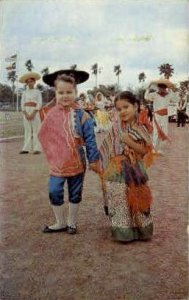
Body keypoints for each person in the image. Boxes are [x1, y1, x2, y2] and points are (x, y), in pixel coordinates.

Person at [38, 69, 100, 234]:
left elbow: (91, 139)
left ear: (76, 92)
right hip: (57, 162)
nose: (65, 96)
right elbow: (44, 134)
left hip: (76, 161)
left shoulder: (83, 115)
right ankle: (60, 222)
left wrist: (93, 159)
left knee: (75, 192)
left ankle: (71, 222)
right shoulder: (51, 114)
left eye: (69, 92)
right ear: (55, 94)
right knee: (54, 190)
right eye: (61, 92)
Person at [99, 91, 153, 242]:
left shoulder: (142, 127)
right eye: (119, 109)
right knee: (119, 199)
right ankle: (124, 233)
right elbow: (106, 147)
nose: (122, 111)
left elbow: (144, 151)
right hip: (116, 170)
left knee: (137, 199)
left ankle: (142, 230)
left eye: (126, 107)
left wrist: (129, 142)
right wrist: (101, 165)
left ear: (135, 106)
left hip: (135, 170)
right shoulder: (116, 128)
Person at [144, 79, 175, 154]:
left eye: (164, 88)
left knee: (165, 132)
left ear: (165, 88)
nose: (162, 90)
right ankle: (154, 148)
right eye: (160, 88)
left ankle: (160, 149)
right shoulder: (154, 94)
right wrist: (148, 88)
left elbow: (175, 99)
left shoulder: (168, 95)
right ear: (158, 88)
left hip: (164, 116)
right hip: (157, 116)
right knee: (156, 132)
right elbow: (146, 97)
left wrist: (171, 90)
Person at [19, 72, 42, 154]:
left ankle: (37, 148)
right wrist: (25, 114)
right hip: (26, 112)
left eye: (31, 81)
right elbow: (22, 104)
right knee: (27, 130)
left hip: (34, 112)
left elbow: (39, 103)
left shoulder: (37, 92)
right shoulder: (24, 92)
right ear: (26, 83)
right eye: (28, 82)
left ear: (34, 82)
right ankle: (26, 148)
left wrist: (33, 113)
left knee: (36, 130)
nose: (29, 83)